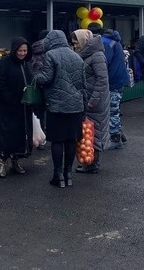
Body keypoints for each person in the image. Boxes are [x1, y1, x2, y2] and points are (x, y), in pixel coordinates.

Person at [33, 30, 85, 188]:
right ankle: (68, 174)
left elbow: (47, 78)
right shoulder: (77, 55)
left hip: (57, 105)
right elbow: (83, 83)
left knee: (57, 141)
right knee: (71, 140)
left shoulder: (51, 55)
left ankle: (58, 175)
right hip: (76, 105)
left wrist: (35, 76)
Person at [0, 37, 34, 178]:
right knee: (8, 134)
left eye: (25, 50)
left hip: (23, 107)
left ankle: (15, 161)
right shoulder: (4, 64)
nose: (22, 53)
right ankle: (2, 162)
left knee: (21, 134)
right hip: (8, 107)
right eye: (20, 50)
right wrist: (9, 97)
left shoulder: (25, 64)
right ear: (14, 50)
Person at [71, 29, 110, 174]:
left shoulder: (97, 55)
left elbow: (102, 80)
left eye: (76, 41)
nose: (75, 45)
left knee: (95, 132)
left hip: (95, 102)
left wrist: (93, 100)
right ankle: (90, 161)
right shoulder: (85, 54)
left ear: (84, 41)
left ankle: (93, 163)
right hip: (88, 99)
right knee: (89, 132)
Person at [88, 23, 130, 146]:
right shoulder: (113, 41)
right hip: (118, 79)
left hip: (112, 81)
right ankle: (119, 132)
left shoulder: (105, 43)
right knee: (114, 108)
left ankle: (115, 138)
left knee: (111, 111)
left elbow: (103, 64)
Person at [29, 29, 51, 150]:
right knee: (50, 111)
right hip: (47, 85)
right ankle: (46, 137)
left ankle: (38, 137)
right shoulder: (49, 50)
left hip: (35, 86)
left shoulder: (33, 49)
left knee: (37, 112)